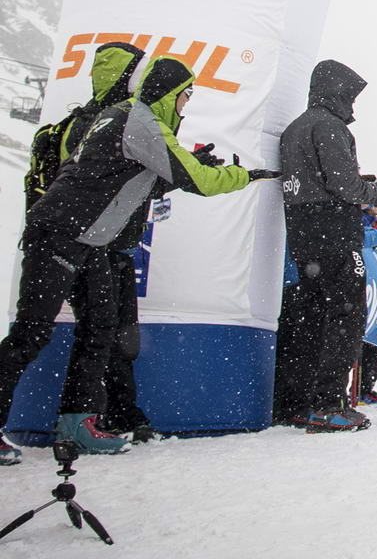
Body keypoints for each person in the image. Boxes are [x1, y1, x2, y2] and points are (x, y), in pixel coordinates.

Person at [0, 55, 272, 464]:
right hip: (57, 232)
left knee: (100, 331)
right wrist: (243, 176)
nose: (187, 103)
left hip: (89, 241)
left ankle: (78, 422)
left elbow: (146, 178)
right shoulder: (140, 120)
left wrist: (196, 163)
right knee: (32, 332)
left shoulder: (128, 117)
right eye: (186, 95)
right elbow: (197, 182)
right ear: (169, 93)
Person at [22, 41, 158, 441]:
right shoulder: (103, 123)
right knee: (82, 330)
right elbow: (88, 187)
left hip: (105, 242)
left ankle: (108, 414)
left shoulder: (117, 120)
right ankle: (94, 416)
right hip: (84, 241)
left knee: (110, 332)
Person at [275, 59, 377, 432]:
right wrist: (374, 192)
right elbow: (343, 184)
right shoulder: (329, 126)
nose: (352, 106)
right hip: (335, 232)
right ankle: (329, 404)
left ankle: (300, 402)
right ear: (337, 92)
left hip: (303, 234)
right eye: (350, 97)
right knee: (344, 318)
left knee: (308, 320)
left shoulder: (293, 129)